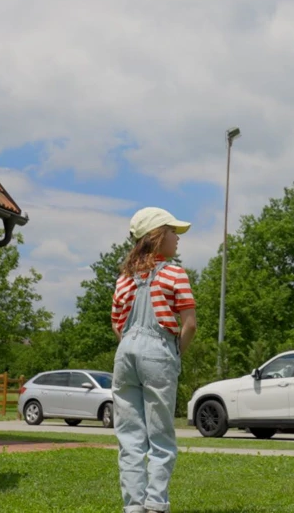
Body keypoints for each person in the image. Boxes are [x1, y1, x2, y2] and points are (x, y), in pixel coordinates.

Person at [111, 207, 198, 513]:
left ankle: (134, 506)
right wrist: (174, 353)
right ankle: (156, 504)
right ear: (157, 236)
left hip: (126, 353)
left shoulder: (124, 278)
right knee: (160, 434)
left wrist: (132, 344)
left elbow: (116, 324)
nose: (177, 238)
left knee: (130, 436)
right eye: (173, 232)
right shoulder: (175, 273)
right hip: (159, 351)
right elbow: (189, 324)